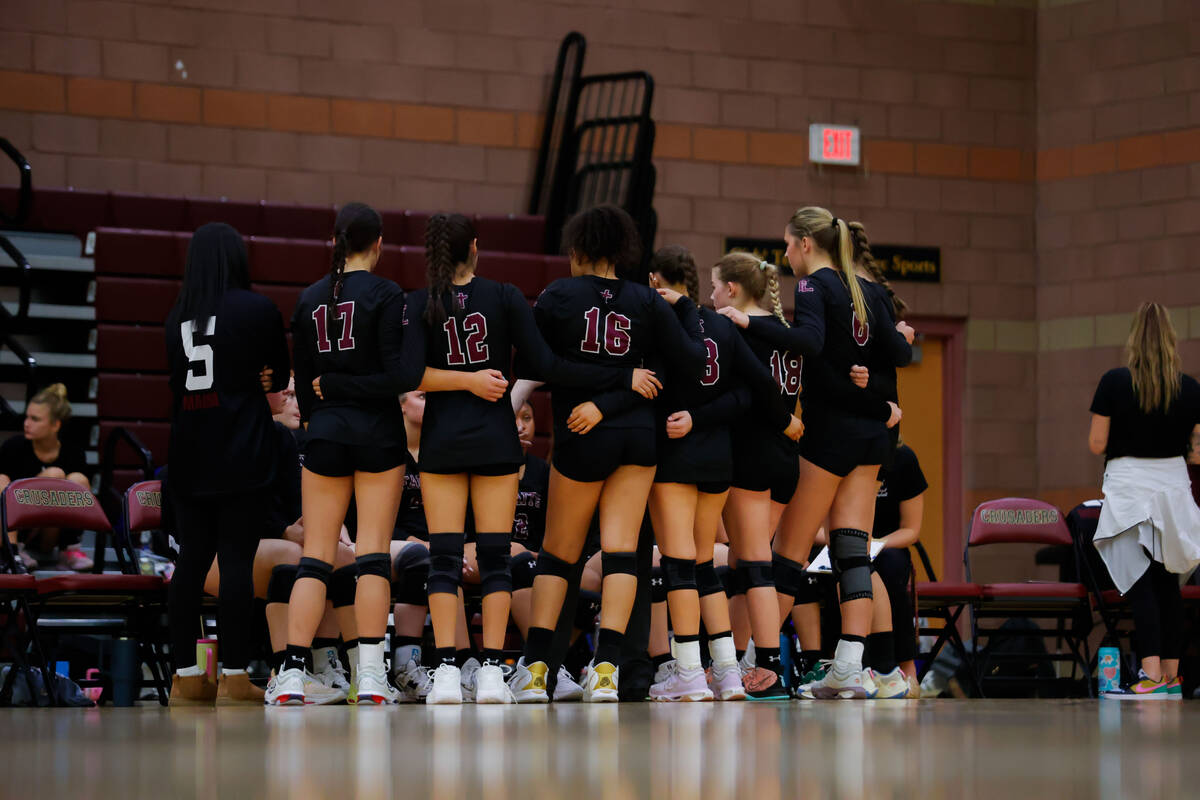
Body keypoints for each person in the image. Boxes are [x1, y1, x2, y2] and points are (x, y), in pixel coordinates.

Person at [398, 213, 656, 705]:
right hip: (495, 439)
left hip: (443, 442)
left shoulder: (420, 301)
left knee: (445, 559)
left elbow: (408, 372)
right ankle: (494, 671)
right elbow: (544, 365)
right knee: (497, 558)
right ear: (475, 247)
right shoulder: (506, 296)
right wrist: (620, 379)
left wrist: (458, 380)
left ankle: (450, 672)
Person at [506, 204, 706, 703]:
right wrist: (678, 313)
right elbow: (689, 361)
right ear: (621, 252)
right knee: (622, 551)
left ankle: (534, 671)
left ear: (577, 251)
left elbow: (536, 362)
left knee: (559, 552)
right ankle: (608, 670)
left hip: (582, 431)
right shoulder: (645, 299)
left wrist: (596, 397)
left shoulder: (558, 294)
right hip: (638, 435)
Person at [756, 207, 911, 699]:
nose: (783, 255)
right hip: (869, 439)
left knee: (789, 552)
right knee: (851, 550)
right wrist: (879, 400)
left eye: (786, 244)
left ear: (805, 243)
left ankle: (759, 666)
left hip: (828, 435)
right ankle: (849, 664)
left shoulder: (812, 287)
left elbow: (812, 350)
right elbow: (897, 353)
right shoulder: (871, 291)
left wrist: (751, 325)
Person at [641, 246, 802, 702]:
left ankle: (699, 671)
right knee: (715, 568)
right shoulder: (736, 327)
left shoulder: (679, 324)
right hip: (730, 460)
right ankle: (730, 670)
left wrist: (689, 416)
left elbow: (655, 385)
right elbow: (762, 388)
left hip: (698, 455)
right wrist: (788, 419)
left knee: (690, 565)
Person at [268, 202, 414, 706]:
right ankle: (370, 676)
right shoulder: (388, 293)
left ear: (336, 240)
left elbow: (304, 384)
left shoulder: (309, 298)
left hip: (324, 433)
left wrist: (320, 409)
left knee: (315, 558)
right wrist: (348, 387)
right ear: (378, 244)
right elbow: (400, 377)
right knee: (372, 555)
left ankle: (289, 672)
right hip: (376, 432)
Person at [165, 222, 290, 706]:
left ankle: (185, 678)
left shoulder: (176, 314)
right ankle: (235, 676)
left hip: (189, 451)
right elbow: (277, 374)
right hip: (241, 448)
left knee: (191, 561)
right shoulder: (256, 308)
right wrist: (256, 377)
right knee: (236, 560)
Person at [1089, 302, 1200, 699]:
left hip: (1130, 486)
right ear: (1172, 338)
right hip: (1173, 486)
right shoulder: (1190, 387)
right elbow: (1198, 451)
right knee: (1168, 581)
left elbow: (1096, 442)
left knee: (1139, 581)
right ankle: (1171, 676)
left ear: (1134, 338)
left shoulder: (1114, 382)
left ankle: (1150, 675)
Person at [709, 251, 803, 699]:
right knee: (744, 565)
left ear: (731, 290)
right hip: (785, 458)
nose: (710, 296)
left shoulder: (738, 327)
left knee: (754, 564)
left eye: (713, 287)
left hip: (754, 452)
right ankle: (738, 662)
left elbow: (752, 394)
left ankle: (767, 667)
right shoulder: (785, 330)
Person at [0, 383, 92, 571]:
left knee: (77, 479)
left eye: (35, 419)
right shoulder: (13, 447)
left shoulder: (74, 453)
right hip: (21, 530)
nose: (26, 423)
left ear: (55, 424)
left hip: (51, 533)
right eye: (27, 417)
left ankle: (70, 550)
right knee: (5, 478)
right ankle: (13, 551)